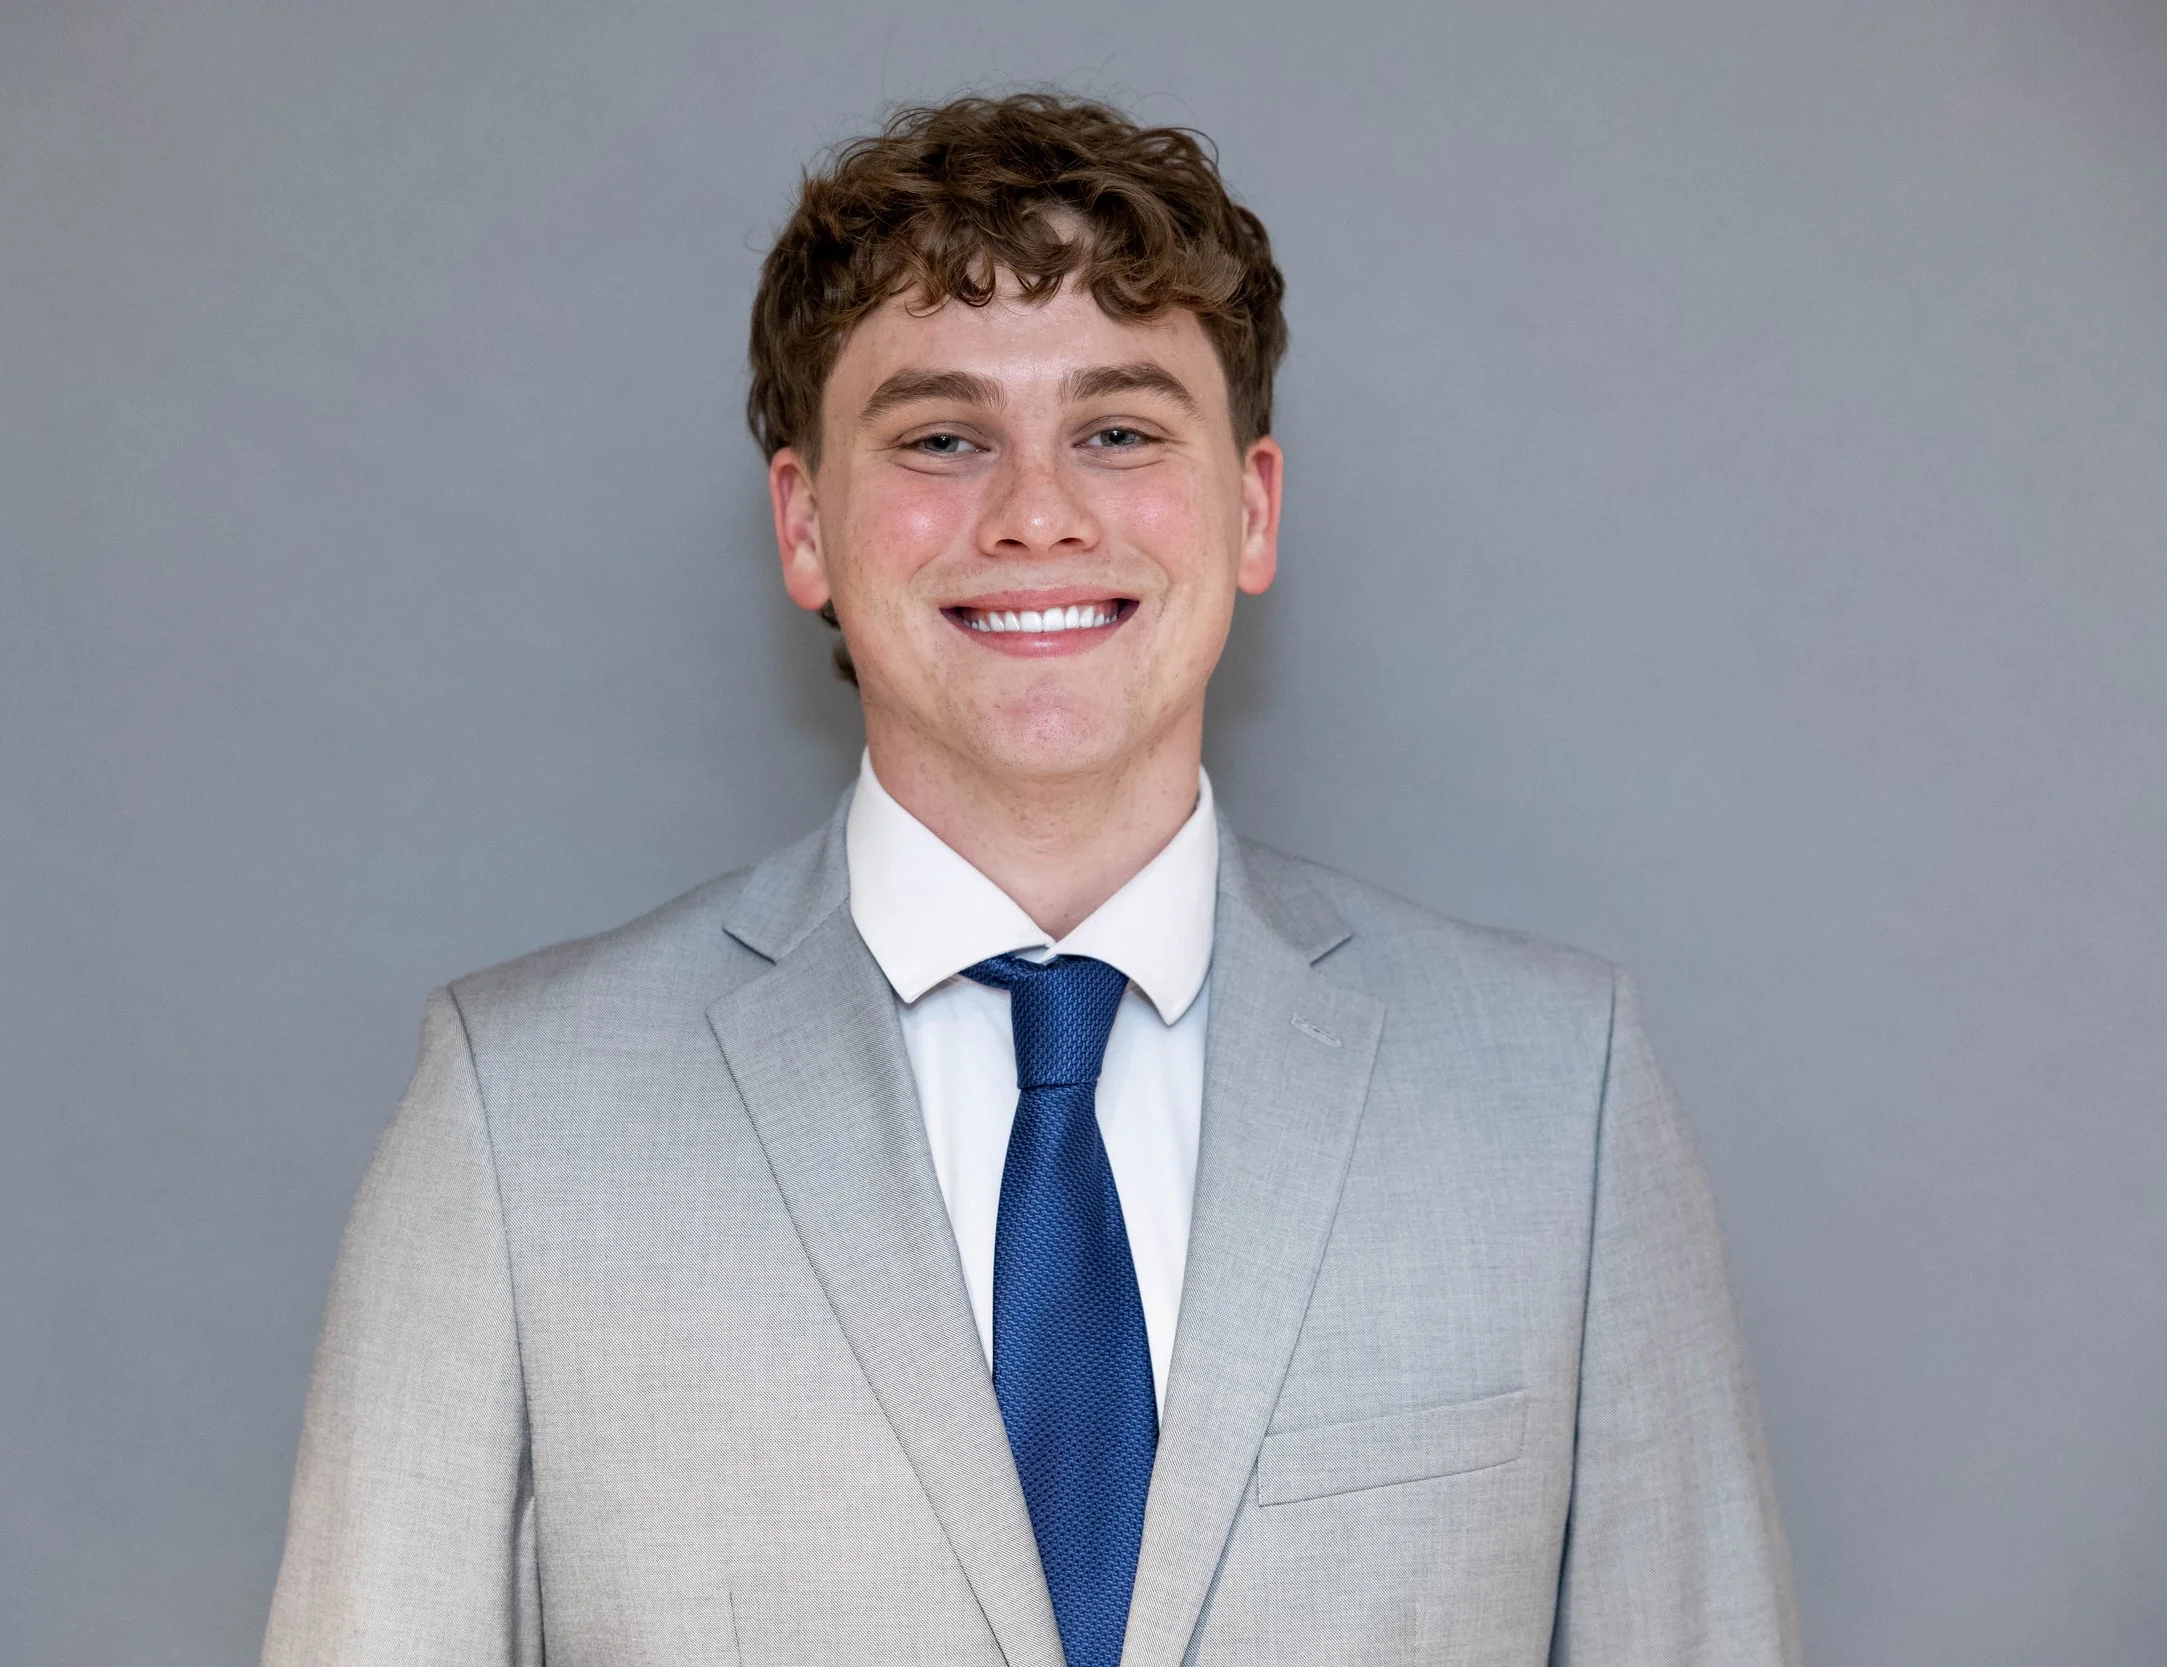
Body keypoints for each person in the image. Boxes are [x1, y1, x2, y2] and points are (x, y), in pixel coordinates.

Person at [262, 92, 1798, 1667]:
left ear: (1252, 507)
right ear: (805, 524)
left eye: (1118, 430)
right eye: (944, 437)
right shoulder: (520, 1123)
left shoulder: (1558, 1100)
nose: (1039, 513)